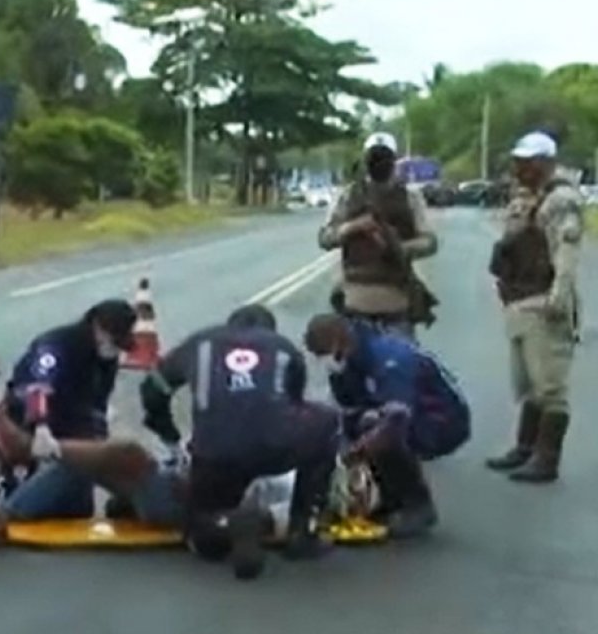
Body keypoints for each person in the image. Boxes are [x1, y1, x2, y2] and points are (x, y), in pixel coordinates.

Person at [130, 304, 342, 580]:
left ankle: (226, 524)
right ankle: (302, 532)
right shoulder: (283, 348)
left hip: (215, 454)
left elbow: (151, 391)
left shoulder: (199, 342)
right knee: (326, 421)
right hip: (274, 447)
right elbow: (294, 406)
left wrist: (169, 435)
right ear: (269, 329)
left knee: (204, 538)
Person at [303, 313, 471, 538]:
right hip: (400, 412)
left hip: (440, 419)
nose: (322, 361)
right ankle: (389, 500)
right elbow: (344, 412)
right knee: (351, 426)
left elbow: (397, 418)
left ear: (338, 341)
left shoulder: (389, 356)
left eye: (322, 353)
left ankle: (417, 506)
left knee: (383, 433)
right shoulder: (348, 362)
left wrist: (355, 453)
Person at [485, 130, 583, 484]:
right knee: (527, 383)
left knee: (550, 385)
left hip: (544, 300)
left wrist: (560, 294)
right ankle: (526, 447)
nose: (520, 168)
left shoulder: (560, 200)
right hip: (519, 298)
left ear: (545, 163)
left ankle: (547, 458)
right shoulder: (528, 198)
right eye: (519, 162)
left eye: (527, 162)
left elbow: (566, 249)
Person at [0, 299, 138, 520]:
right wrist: (40, 427)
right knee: (74, 467)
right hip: (28, 424)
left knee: (78, 504)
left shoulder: (105, 359)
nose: (116, 349)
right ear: (98, 328)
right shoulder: (57, 345)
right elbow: (36, 387)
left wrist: (100, 444)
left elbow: (97, 405)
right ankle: (10, 509)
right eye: (115, 341)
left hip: (68, 425)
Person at [319, 132, 439, 338]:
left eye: (384, 158)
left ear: (393, 161)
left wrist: (399, 247)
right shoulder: (348, 196)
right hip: (355, 298)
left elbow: (429, 241)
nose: (379, 163)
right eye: (374, 157)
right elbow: (325, 238)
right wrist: (352, 228)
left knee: (402, 365)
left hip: (395, 298)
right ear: (366, 161)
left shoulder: (409, 197)